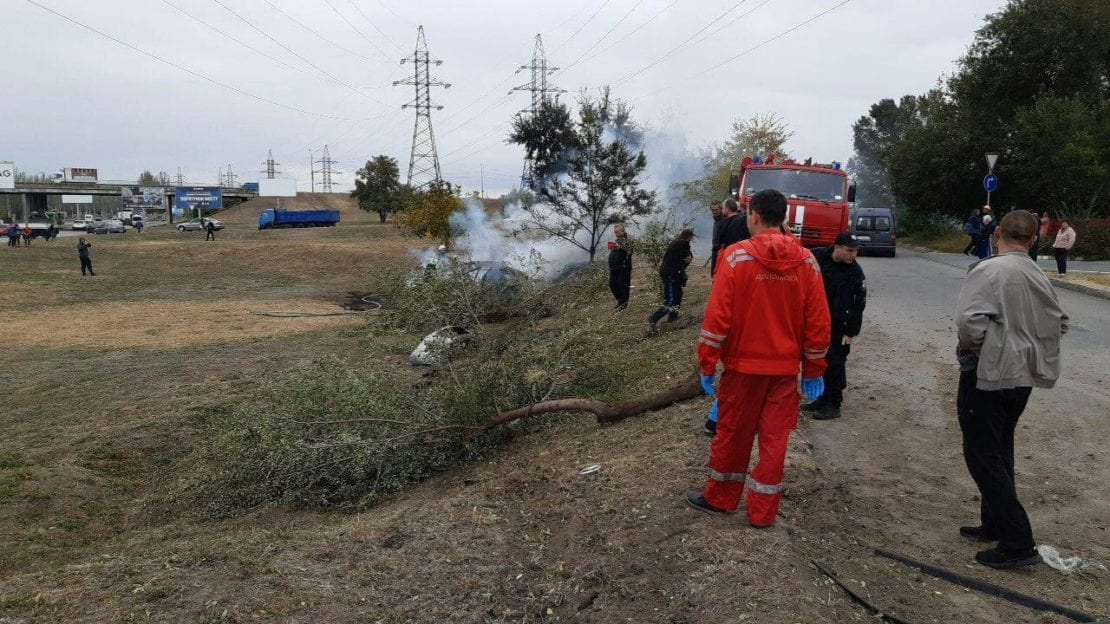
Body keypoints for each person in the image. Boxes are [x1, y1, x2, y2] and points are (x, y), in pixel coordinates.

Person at [686, 189, 831, 527]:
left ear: (753, 215)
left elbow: (717, 319)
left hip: (742, 370)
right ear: (783, 218)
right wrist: (813, 370)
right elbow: (818, 322)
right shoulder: (807, 261)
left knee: (733, 433)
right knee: (775, 440)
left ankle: (721, 499)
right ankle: (763, 514)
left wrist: (708, 362)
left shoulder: (736, 258)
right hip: (783, 372)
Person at [955, 210, 1067, 569]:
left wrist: (990, 347)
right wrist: (1028, 344)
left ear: (997, 232)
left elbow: (970, 324)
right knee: (1000, 448)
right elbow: (1060, 322)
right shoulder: (1037, 272)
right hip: (1023, 377)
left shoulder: (988, 270)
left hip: (989, 373)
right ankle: (995, 523)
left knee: (982, 454)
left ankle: (1018, 542)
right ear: (1034, 239)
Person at [802, 232, 867, 420]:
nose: (852, 255)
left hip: (841, 324)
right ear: (837, 247)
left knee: (836, 363)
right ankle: (821, 399)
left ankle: (833, 404)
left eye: (855, 251)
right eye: (849, 250)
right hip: (818, 321)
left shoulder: (855, 272)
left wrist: (851, 331)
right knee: (819, 360)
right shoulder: (818, 256)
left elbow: (860, 303)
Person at [647, 229, 694, 334]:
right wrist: (689, 260)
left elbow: (686, 257)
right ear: (689, 237)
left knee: (678, 294)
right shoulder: (684, 243)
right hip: (671, 274)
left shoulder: (676, 242)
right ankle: (654, 318)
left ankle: (673, 317)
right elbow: (687, 258)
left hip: (669, 272)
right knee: (671, 300)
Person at [607, 224, 633, 310]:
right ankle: (620, 301)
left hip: (623, 267)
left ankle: (623, 305)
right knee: (612, 284)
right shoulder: (617, 240)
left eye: (618, 232)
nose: (616, 233)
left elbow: (628, 249)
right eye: (615, 232)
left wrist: (619, 247)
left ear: (623, 231)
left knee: (623, 286)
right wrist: (613, 246)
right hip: (614, 268)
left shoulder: (628, 239)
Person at [709, 201, 724, 275]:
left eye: (716, 210)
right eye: (713, 210)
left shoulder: (725, 220)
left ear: (721, 209)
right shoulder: (716, 220)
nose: (714, 212)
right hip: (715, 251)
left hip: (722, 252)